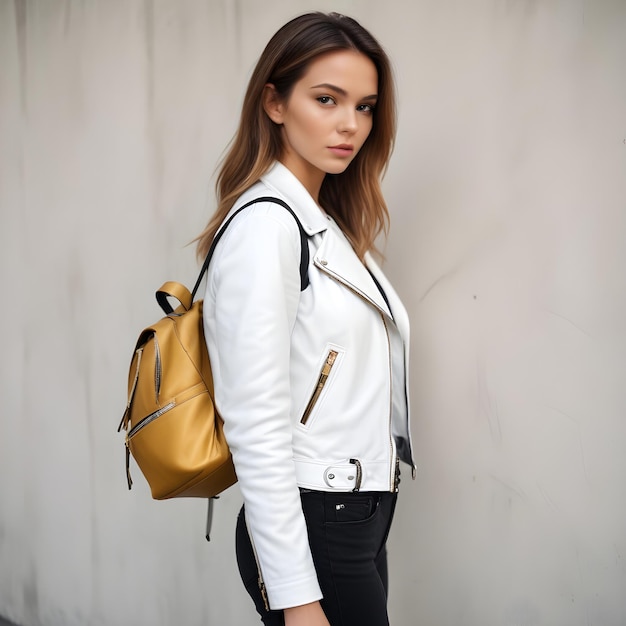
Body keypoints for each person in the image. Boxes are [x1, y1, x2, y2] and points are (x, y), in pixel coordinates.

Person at [196, 12, 415, 626]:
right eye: (327, 99)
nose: (351, 124)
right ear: (274, 102)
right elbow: (256, 427)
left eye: (366, 106)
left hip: (358, 517)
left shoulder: (329, 226)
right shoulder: (267, 226)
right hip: (317, 522)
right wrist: (295, 594)